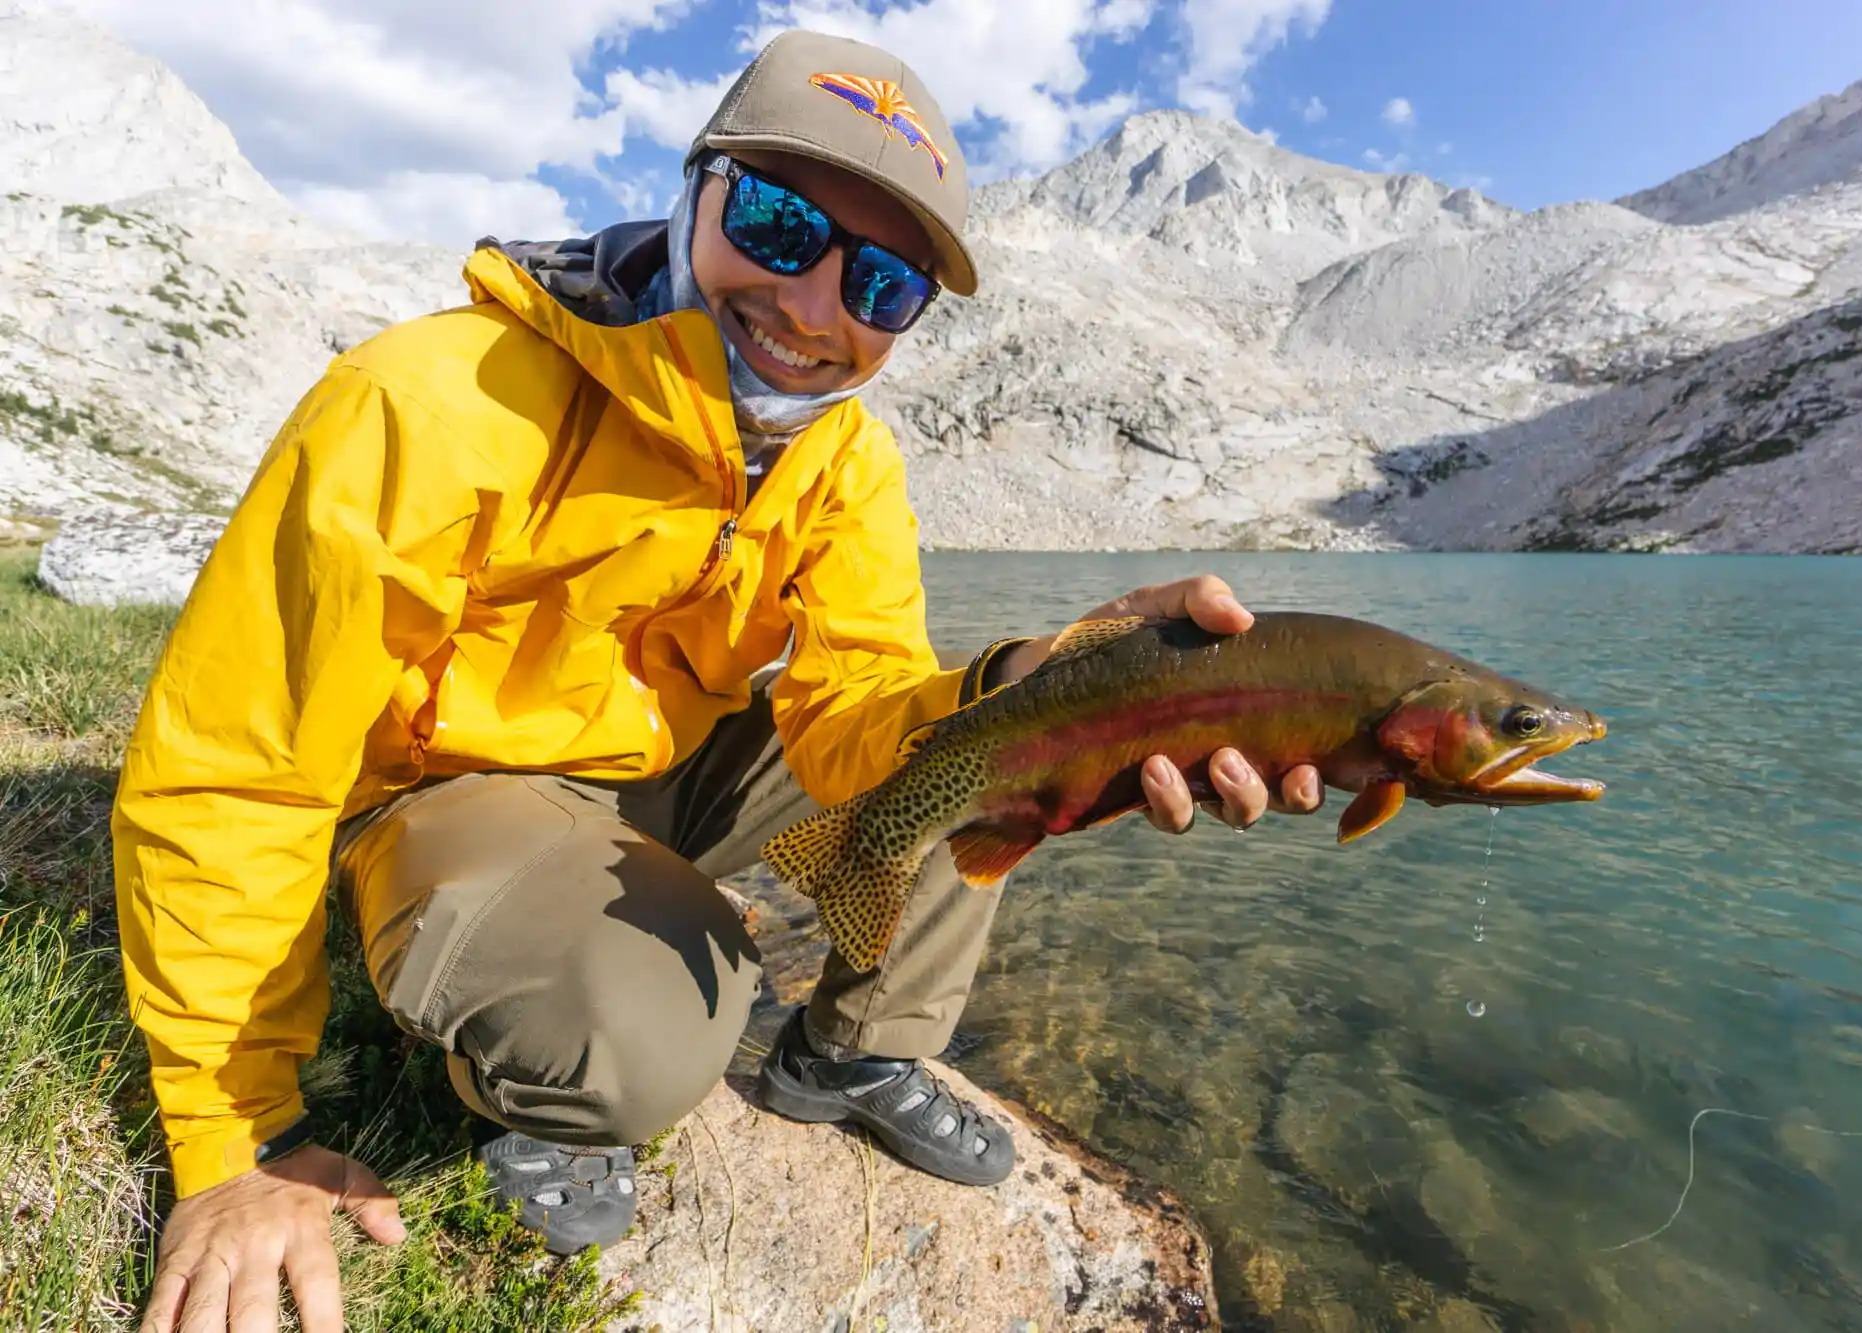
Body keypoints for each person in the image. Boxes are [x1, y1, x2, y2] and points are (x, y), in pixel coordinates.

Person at [116, 29, 1325, 1331]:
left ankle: (852, 1053)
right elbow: (236, 770)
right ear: (695, 189)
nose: (817, 310)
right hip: (455, 784)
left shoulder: (845, 464)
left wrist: (1050, 687)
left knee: (979, 762)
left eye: (884, 282)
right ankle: (556, 1084)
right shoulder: (428, 399)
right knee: (645, 1040)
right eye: (778, 221)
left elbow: (861, 707)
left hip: (660, 765)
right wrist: (235, 1135)